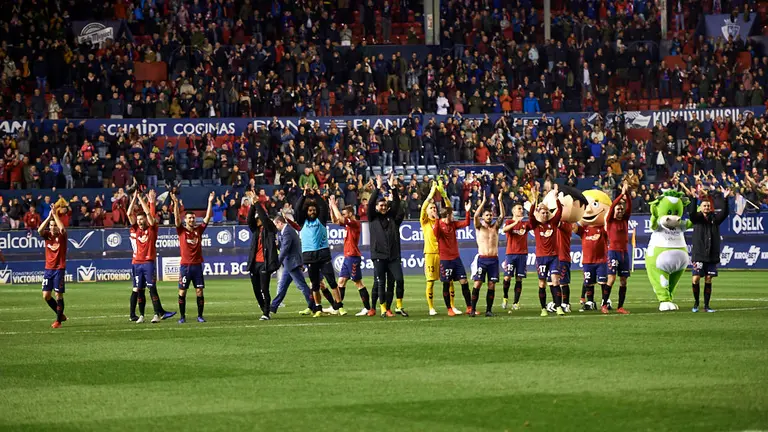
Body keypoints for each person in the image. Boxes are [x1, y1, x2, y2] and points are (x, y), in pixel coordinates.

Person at [294, 185, 345, 317]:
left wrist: (316, 194)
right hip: (309, 256)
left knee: (332, 282)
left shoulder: (320, 220)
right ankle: (318, 308)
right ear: (306, 211)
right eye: (309, 210)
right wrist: (304, 195)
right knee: (315, 285)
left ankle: (339, 307)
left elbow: (323, 206)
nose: (312, 212)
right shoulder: (302, 222)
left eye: (313, 210)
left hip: (323, 253)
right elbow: (297, 210)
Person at [127, 190, 176, 323]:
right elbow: (128, 213)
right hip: (137, 263)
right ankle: (141, 315)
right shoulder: (135, 230)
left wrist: (142, 200)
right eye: (138, 219)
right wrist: (134, 199)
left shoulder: (152, 229)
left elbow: (149, 213)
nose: (140, 221)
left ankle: (156, 314)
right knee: (139, 290)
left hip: (148, 262)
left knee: (151, 288)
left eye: (141, 219)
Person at [367, 174, 407, 317]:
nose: (383, 207)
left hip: (393, 256)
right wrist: (378, 188)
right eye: (381, 205)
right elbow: (370, 204)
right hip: (379, 256)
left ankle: (395, 307)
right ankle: (383, 309)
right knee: (381, 283)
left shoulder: (393, 219)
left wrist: (393, 187)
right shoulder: (373, 218)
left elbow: (397, 203)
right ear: (377, 207)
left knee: (398, 280)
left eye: (385, 205)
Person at [172, 191, 214, 323]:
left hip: (197, 266)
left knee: (199, 292)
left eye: (193, 218)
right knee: (182, 292)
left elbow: (207, 218)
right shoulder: (181, 230)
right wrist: (175, 204)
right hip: (185, 266)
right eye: (189, 218)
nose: (191, 219)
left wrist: (209, 202)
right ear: (186, 219)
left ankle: (200, 316)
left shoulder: (198, 230)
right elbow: (176, 219)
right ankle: (182, 317)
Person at [420, 180, 461, 316]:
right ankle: (431, 308)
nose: (434, 210)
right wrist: (431, 194)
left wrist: (444, 195)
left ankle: (452, 306)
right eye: (431, 208)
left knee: (449, 281)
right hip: (430, 254)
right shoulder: (425, 222)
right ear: (427, 211)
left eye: (434, 208)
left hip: (443, 254)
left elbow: (449, 208)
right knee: (430, 281)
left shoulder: (443, 221)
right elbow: (423, 207)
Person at [687, 187, 731, 313]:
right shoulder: (697, 219)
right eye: (704, 206)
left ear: (710, 207)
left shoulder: (714, 219)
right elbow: (691, 213)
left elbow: (725, 213)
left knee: (708, 278)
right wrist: (694, 198)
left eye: (707, 206)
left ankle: (706, 305)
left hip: (712, 254)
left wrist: (726, 198)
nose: (706, 208)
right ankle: (696, 303)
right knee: (695, 278)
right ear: (701, 207)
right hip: (699, 254)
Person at [328, 195, 372, 316]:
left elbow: (340, 219)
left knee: (358, 282)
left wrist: (333, 204)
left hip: (353, 256)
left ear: (351, 213)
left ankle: (367, 308)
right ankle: (337, 307)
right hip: (347, 257)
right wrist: (331, 208)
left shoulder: (354, 223)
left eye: (345, 214)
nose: (343, 215)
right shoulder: (348, 223)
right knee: (341, 281)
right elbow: (335, 221)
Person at [529, 183, 565, 317]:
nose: (544, 214)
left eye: (546, 212)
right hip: (541, 257)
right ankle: (543, 308)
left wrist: (556, 197)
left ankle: (558, 307)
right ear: (538, 213)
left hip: (554, 257)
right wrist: (534, 200)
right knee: (542, 283)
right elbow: (531, 216)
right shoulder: (535, 225)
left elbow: (560, 211)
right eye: (542, 212)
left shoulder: (553, 223)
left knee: (556, 281)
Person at [433, 200, 474, 316]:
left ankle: (469, 307)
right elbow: (436, 234)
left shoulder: (453, 224)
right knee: (446, 283)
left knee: (464, 281)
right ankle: (449, 309)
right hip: (445, 260)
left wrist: (467, 211)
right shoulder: (439, 225)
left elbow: (466, 223)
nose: (454, 216)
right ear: (447, 215)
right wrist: (436, 219)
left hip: (456, 258)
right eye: (452, 214)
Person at [270, 215, 315, 315]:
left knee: (301, 286)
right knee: (283, 286)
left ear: (280, 223)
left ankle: (314, 306)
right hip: (289, 263)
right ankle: (273, 307)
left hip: (292, 263)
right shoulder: (287, 231)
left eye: (275, 224)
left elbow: (285, 249)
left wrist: (277, 262)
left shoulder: (287, 232)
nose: (275, 227)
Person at [472, 192, 505, 316]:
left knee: (492, 285)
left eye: (491, 215)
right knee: (478, 283)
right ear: (483, 216)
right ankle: (473, 309)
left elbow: (502, 215)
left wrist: (500, 200)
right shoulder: (479, 227)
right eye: (487, 215)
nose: (489, 217)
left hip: (493, 260)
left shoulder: (495, 227)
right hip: (482, 259)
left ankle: (489, 310)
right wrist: (483, 202)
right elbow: (475, 216)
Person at [247, 201, 280, 320]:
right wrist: (252, 205)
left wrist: (257, 204)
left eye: (258, 218)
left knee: (264, 289)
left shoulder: (270, 229)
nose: (257, 220)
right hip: (254, 263)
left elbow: (265, 219)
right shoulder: (255, 231)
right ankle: (264, 309)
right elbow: (249, 220)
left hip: (265, 263)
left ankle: (266, 312)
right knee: (256, 290)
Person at [605, 183, 633, 314]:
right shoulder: (610, 220)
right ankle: (604, 304)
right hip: (613, 252)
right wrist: (622, 193)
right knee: (611, 279)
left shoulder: (625, 220)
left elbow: (629, 206)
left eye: (621, 209)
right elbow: (612, 206)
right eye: (618, 209)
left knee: (623, 281)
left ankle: (620, 306)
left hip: (624, 253)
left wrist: (626, 193)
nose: (620, 211)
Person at [38, 206, 67, 328]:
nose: (52, 227)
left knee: (58, 295)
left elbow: (62, 228)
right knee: (46, 296)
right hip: (48, 269)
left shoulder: (62, 236)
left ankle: (58, 321)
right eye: (51, 225)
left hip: (59, 269)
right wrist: (49, 217)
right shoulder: (47, 236)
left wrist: (55, 215)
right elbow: (39, 230)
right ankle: (60, 315)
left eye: (54, 225)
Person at [575, 214, 610, 314]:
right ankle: (590, 302)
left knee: (603, 282)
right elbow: (573, 226)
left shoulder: (602, 228)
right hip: (587, 261)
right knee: (588, 283)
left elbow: (609, 227)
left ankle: (605, 300)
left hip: (601, 261)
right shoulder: (583, 229)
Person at [502, 202, 530, 311]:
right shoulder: (509, 222)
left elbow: (534, 222)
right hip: (510, 254)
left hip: (522, 254)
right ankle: (505, 297)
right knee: (507, 277)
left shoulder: (525, 224)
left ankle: (516, 302)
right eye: (519, 208)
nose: (521, 210)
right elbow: (504, 230)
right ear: (513, 211)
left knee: (519, 279)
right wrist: (516, 222)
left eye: (522, 209)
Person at [554, 216, 574, 313]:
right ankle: (556, 303)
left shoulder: (566, 224)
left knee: (563, 282)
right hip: (554, 257)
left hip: (563, 257)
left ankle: (566, 303)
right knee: (554, 282)